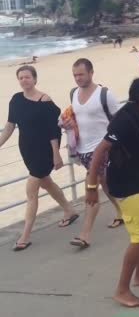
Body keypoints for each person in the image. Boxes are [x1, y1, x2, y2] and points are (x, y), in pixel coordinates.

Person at [86, 76, 139, 308]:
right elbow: (100, 151)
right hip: (125, 184)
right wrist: (91, 187)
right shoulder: (125, 119)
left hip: (137, 181)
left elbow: (136, 152)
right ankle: (122, 290)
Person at [0, 66, 78, 251]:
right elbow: (9, 127)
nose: (24, 80)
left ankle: (25, 236)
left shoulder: (45, 101)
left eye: (27, 77)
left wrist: (56, 154)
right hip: (27, 150)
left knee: (31, 191)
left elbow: (53, 131)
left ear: (35, 79)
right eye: (21, 77)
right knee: (47, 182)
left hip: (44, 151)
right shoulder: (16, 100)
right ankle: (70, 210)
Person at [63, 59, 124, 249]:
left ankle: (85, 235)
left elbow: (120, 121)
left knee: (91, 190)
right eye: (75, 75)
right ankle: (124, 212)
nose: (78, 78)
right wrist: (69, 126)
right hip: (83, 150)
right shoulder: (73, 93)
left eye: (81, 74)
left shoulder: (105, 95)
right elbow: (76, 117)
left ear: (91, 73)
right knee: (106, 185)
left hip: (102, 149)